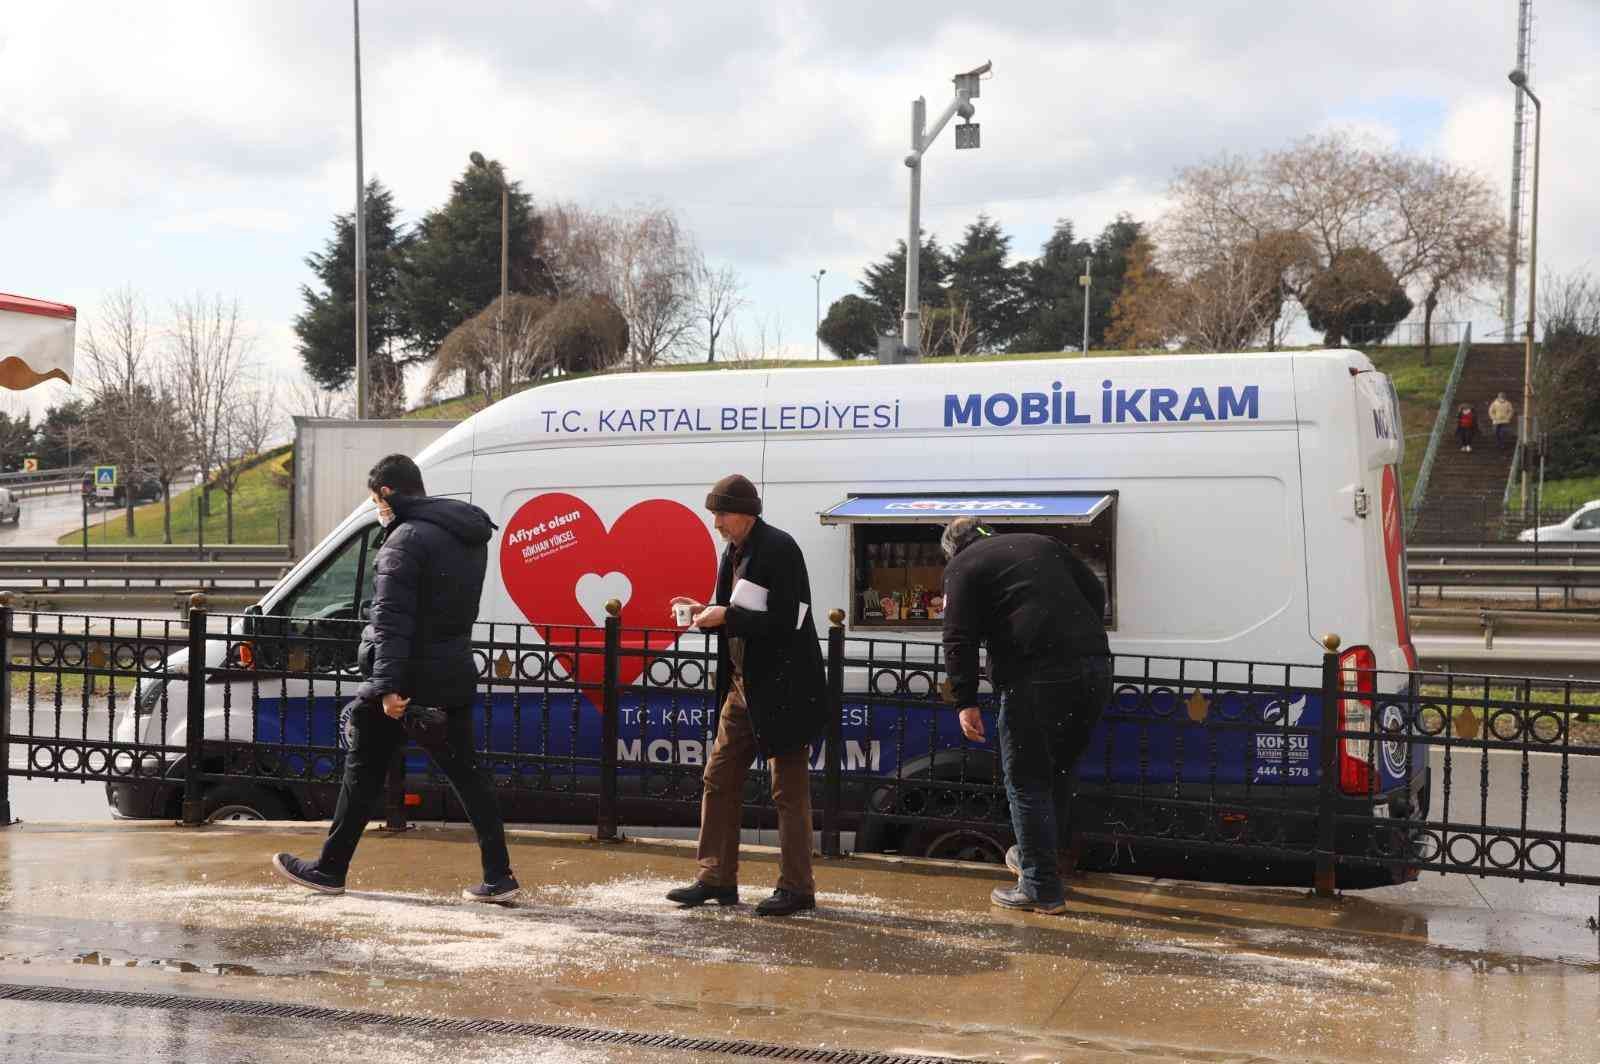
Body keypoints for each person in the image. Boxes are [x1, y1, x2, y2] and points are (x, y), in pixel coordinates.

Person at [272, 455, 518, 903]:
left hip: (406, 682)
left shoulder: (405, 539)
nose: (377, 508)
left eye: (376, 500)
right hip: (451, 670)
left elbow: (391, 621)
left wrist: (386, 687)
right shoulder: (467, 536)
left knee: (362, 773)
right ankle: (498, 875)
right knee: (468, 776)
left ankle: (329, 870)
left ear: (387, 492)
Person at [665, 474, 827, 917]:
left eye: (721, 513)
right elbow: (734, 610)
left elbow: (788, 619)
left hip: (786, 686)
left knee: (787, 791)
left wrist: (727, 617)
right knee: (718, 778)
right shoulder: (732, 551)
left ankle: (797, 888)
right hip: (743, 685)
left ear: (745, 512)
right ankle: (715, 878)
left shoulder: (780, 548)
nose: (716, 522)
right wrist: (704, 611)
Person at [939, 517, 1110, 915]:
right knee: (1059, 773)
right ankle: (1049, 860)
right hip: (1094, 668)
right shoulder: (1043, 543)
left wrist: (965, 700)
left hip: (1034, 676)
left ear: (952, 548)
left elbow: (957, 636)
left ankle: (1039, 887)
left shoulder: (962, 566)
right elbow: (1095, 591)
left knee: (1027, 780)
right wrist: (1074, 634)